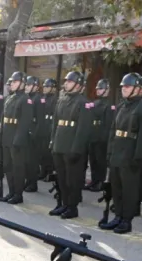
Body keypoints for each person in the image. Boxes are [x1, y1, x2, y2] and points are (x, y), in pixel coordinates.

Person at [99, 73, 142, 234]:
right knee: (117, 188)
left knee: (129, 190)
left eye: (127, 86)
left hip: (130, 155)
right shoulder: (122, 106)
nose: (124, 89)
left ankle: (126, 220)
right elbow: (112, 131)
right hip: (117, 153)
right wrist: (109, 152)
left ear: (137, 89)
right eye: (123, 86)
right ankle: (117, 217)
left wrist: (138, 158)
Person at [49, 71, 92, 218]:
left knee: (72, 180)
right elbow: (55, 123)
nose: (65, 83)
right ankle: (63, 204)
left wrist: (76, 149)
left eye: (69, 81)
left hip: (72, 147)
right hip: (60, 145)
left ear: (78, 84)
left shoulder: (83, 103)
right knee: (61, 178)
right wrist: (52, 141)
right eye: (65, 81)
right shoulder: (62, 100)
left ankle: (72, 207)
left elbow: (83, 130)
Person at [0, 71, 34, 204]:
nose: (12, 84)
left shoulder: (26, 100)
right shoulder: (10, 98)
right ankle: (11, 191)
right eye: (11, 82)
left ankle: (18, 194)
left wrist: (18, 140)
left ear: (22, 83)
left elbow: (24, 122)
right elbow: (3, 118)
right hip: (7, 136)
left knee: (17, 168)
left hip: (16, 139)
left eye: (15, 81)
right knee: (8, 166)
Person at [87, 79, 116, 192]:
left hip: (102, 137)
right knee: (93, 161)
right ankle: (94, 181)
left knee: (100, 161)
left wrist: (104, 140)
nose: (98, 91)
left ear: (107, 90)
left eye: (101, 88)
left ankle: (100, 182)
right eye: (98, 88)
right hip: (93, 135)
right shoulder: (94, 103)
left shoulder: (109, 106)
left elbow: (108, 124)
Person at [24, 76, 44, 192]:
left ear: (35, 86)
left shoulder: (38, 99)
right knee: (26, 161)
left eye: (28, 85)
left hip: (34, 135)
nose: (26, 87)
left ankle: (33, 183)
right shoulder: (27, 98)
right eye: (26, 84)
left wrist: (35, 135)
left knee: (32, 162)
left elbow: (40, 121)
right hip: (27, 134)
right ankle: (28, 181)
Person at [39, 78, 58, 180]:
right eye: (44, 86)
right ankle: (43, 170)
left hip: (50, 125)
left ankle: (49, 172)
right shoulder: (42, 98)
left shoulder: (55, 99)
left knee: (48, 151)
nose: (45, 88)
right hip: (43, 125)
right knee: (42, 151)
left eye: (47, 86)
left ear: (53, 88)